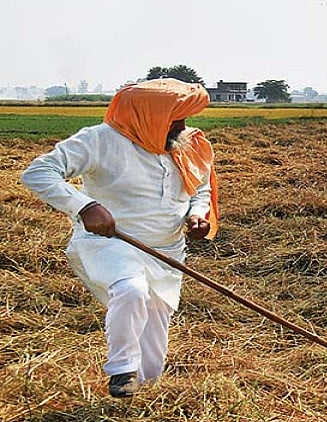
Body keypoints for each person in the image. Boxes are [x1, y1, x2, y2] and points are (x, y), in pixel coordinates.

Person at [22, 78, 219, 398]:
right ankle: (121, 369)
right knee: (130, 290)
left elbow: (199, 188)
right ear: (147, 115)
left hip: (167, 251)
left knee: (154, 340)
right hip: (113, 243)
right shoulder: (100, 140)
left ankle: (139, 396)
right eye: (175, 117)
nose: (183, 124)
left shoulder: (186, 142)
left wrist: (197, 213)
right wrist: (85, 206)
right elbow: (38, 172)